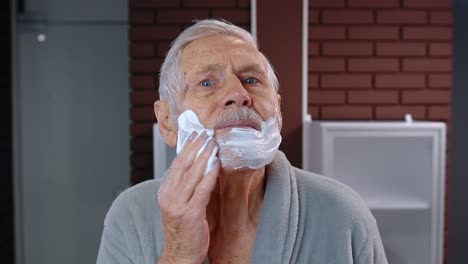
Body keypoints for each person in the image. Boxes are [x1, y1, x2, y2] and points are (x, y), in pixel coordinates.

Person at [97, 19, 388, 264]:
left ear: (277, 110)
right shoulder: (132, 216)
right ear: (167, 122)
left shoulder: (341, 214)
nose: (238, 93)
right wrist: (179, 254)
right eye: (207, 83)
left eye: (251, 80)